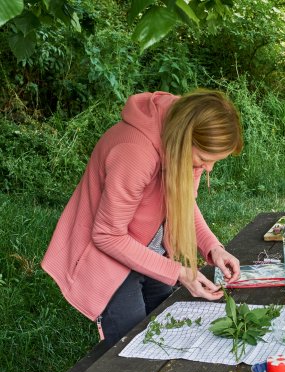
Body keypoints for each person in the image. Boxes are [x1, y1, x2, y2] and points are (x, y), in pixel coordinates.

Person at [42, 89, 243, 346]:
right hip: (107, 257)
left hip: (148, 247)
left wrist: (213, 248)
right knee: (133, 343)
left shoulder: (182, 147)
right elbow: (107, 235)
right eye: (204, 159)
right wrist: (179, 272)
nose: (208, 168)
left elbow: (182, 203)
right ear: (184, 140)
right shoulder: (134, 152)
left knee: (168, 326)